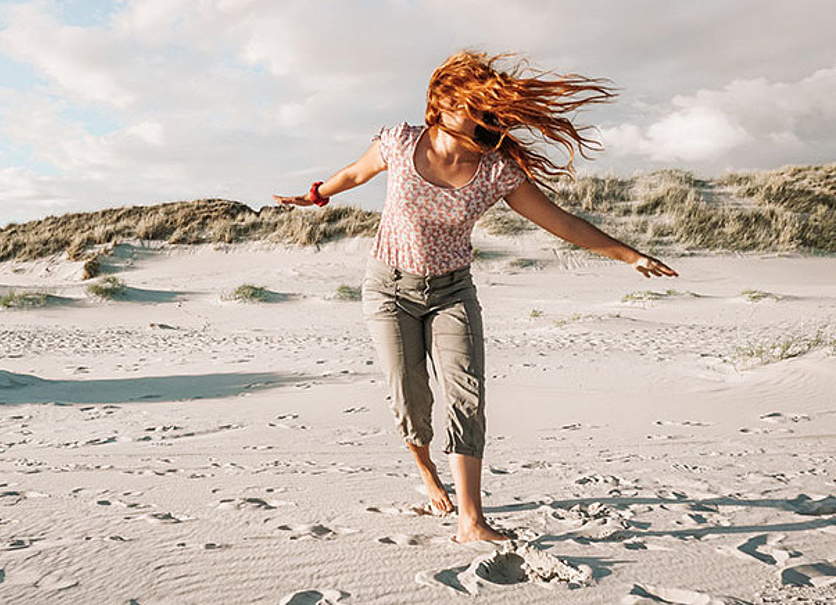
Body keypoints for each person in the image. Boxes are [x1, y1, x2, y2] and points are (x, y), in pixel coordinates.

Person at [273, 50, 678, 544]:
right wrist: (317, 195)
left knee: (467, 396)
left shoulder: (495, 170)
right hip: (389, 290)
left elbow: (562, 223)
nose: (482, 112)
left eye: (487, 105)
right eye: (472, 103)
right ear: (441, 104)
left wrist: (629, 255)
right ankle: (426, 469)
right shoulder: (399, 141)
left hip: (452, 292)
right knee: (410, 398)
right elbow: (356, 174)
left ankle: (471, 519)